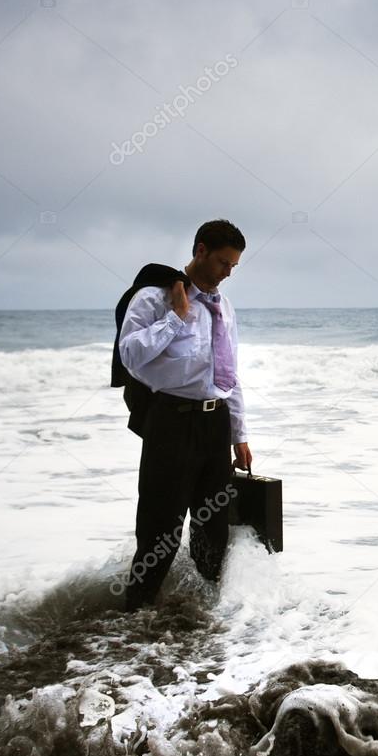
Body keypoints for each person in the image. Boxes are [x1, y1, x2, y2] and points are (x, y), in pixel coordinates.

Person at [117, 219, 252, 610]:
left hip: (215, 423)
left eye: (233, 267)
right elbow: (131, 355)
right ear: (200, 251)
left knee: (213, 530)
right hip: (171, 422)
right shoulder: (153, 298)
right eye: (223, 263)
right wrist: (175, 317)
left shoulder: (223, 305)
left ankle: (200, 617)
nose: (228, 273)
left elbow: (229, 371)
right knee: (160, 530)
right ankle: (132, 619)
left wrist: (239, 434)